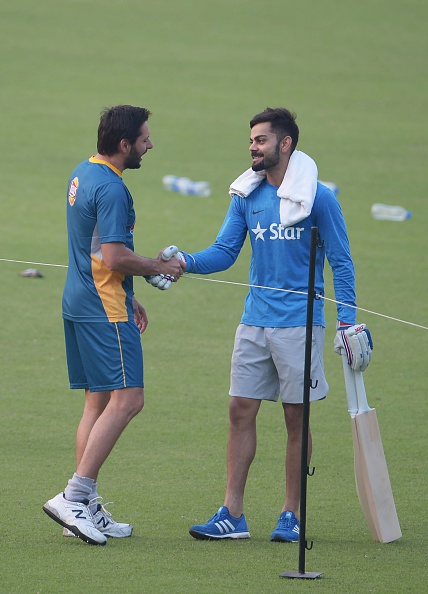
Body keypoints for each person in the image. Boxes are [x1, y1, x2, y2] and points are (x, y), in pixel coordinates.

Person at [178, 107, 372, 542]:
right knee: (239, 411)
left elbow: (341, 262)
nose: (253, 146)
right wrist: (184, 262)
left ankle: (291, 514)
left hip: (300, 326)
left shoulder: (318, 197)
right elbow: (225, 251)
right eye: (251, 140)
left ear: (285, 144)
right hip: (254, 321)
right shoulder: (246, 196)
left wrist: (347, 322)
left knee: (294, 418)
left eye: (261, 140)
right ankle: (232, 513)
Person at [42, 105, 185, 546]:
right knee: (129, 400)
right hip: (105, 309)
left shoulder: (82, 171)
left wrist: (131, 292)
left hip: (81, 300)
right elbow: (116, 255)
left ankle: (84, 506)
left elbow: (95, 249)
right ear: (125, 145)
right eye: (144, 138)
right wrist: (157, 267)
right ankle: (74, 496)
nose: (150, 144)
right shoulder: (114, 190)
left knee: (97, 404)